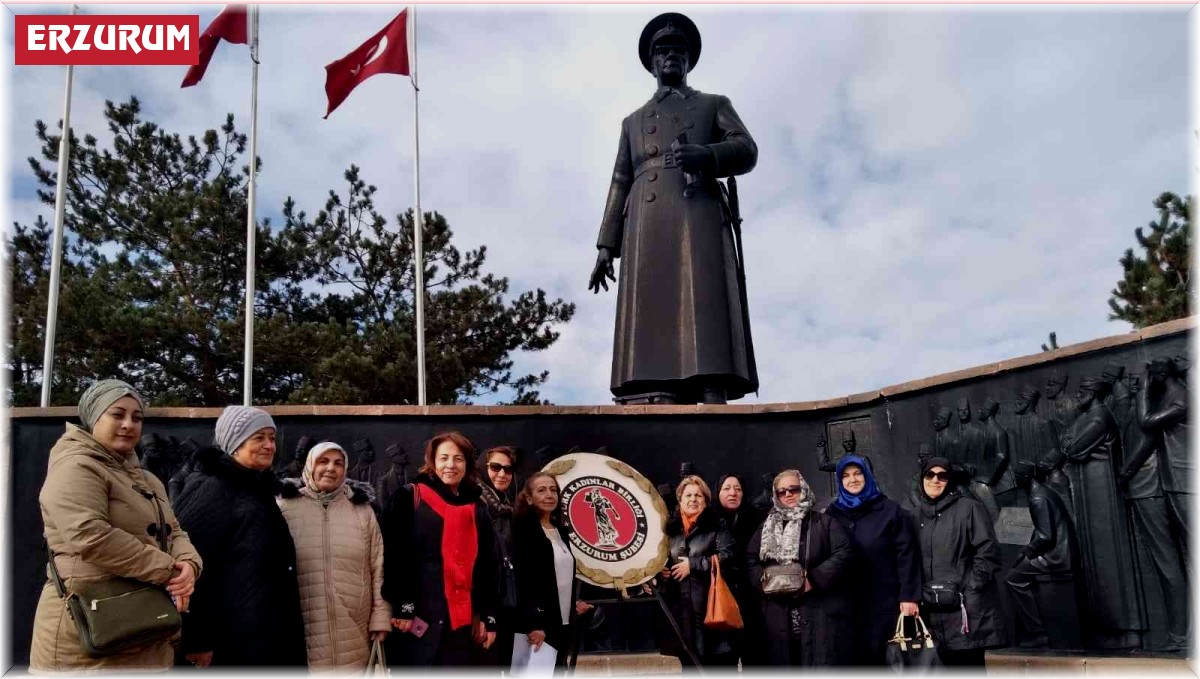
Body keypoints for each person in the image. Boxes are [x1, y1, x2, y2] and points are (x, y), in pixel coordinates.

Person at [588, 12, 759, 405]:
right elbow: (619, 180)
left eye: (678, 51)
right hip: (646, 218)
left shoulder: (714, 104)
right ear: (652, 63)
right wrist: (606, 246)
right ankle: (653, 387)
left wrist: (708, 155)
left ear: (688, 61)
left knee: (704, 298)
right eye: (663, 51)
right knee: (651, 301)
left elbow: (746, 149)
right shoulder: (633, 121)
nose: (671, 56)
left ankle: (711, 383)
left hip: (697, 208)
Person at [31, 380, 203, 672]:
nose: (128, 424)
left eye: (137, 418)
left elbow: (174, 531)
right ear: (93, 417)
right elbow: (90, 536)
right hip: (86, 638)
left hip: (145, 629)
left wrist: (189, 564)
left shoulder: (149, 480)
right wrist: (169, 570)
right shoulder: (75, 466)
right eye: (117, 414)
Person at [172, 406, 307, 667]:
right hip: (231, 641)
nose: (270, 445)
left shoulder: (256, 487)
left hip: (264, 631)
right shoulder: (211, 488)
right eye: (259, 438)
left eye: (271, 437)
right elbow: (187, 562)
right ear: (234, 443)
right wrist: (197, 639)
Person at [381, 432, 499, 666]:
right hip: (415, 621)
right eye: (443, 458)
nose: (450, 465)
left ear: (467, 464)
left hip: (461, 627)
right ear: (432, 462)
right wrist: (403, 606)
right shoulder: (408, 497)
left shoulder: (477, 508)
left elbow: (488, 566)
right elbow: (393, 555)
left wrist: (487, 615)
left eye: (458, 458)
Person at [277, 442, 391, 670]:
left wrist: (381, 616)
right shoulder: (285, 507)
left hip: (354, 627)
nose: (331, 468)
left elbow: (378, 564)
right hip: (304, 626)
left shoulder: (362, 510)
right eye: (323, 461)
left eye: (338, 463)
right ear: (310, 465)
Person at [746, 469, 852, 667]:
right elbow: (751, 560)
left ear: (803, 489)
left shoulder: (823, 522)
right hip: (777, 616)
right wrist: (765, 583)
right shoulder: (765, 527)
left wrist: (814, 579)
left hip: (817, 613)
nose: (788, 494)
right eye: (781, 492)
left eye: (793, 489)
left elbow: (843, 552)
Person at [824, 455, 921, 666]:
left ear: (867, 476)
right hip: (846, 603)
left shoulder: (890, 511)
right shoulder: (833, 513)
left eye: (857, 473)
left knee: (882, 659)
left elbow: (907, 555)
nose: (852, 480)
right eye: (846, 476)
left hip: (883, 602)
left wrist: (909, 596)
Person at [912, 457, 1007, 667]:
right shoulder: (915, 516)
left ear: (950, 481)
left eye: (942, 476)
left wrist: (972, 586)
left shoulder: (970, 508)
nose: (935, 480)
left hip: (966, 612)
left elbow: (988, 550)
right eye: (929, 474)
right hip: (931, 614)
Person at [512, 472, 594, 670]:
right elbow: (524, 580)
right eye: (541, 490)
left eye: (553, 490)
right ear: (529, 498)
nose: (549, 495)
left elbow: (559, 575)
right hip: (539, 626)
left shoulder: (560, 530)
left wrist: (573, 602)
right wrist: (534, 623)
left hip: (563, 621)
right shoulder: (523, 530)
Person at [659, 475, 736, 668]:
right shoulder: (670, 530)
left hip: (710, 609)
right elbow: (662, 560)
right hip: (679, 610)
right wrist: (663, 573)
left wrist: (693, 565)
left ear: (706, 501)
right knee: (688, 664)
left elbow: (729, 556)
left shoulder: (717, 525)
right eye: (688, 495)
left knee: (714, 665)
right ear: (680, 500)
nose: (693, 499)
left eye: (698, 495)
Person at [711, 473, 765, 666]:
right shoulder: (708, 521)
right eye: (726, 488)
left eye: (738, 489)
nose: (732, 493)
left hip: (752, 601)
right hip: (720, 601)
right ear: (717, 493)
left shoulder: (758, 520)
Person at [478, 446, 519, 668]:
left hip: (505, 600)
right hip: (484, 605)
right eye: (495, 467)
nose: (502, 474)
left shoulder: (507, 508)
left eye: (508, 469)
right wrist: (482, 615)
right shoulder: (475, 504)